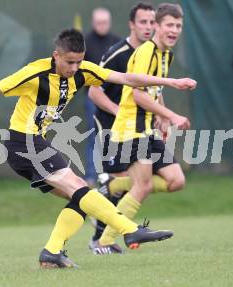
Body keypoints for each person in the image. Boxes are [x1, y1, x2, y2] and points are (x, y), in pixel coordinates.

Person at [0, 28, 196, 268]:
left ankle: (51, 252)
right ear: (56, 55)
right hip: (23, 143)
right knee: (80, 187)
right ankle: (130, 230)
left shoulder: (84, 71)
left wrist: (170, 81)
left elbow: (126, 78)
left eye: (78, 62)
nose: (74, 68)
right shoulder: (34, 72)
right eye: (69, 62)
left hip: (36, 144)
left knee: (81, 199)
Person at [90, 3, 193, 252]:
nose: (174, 30)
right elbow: (136, 95)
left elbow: (154, 92)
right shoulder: (146, 52)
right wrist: (172, 115)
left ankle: (113, 187)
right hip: (131, 128)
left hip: (146, 127)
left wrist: (163, 118)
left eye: (178, 26)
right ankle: (104, 242)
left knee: (176, 180)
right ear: (157, 26)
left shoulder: (165, 54)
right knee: (144, 185)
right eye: (169, 24)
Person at [88, 2, 157, 254]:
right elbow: (94, 92)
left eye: (152, 22)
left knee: (135, 182)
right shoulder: (118, 53)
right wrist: (119, 112)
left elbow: (153, 89)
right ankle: (98, 240)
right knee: (122, 180)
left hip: (137, 127)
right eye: (143, 22)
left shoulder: (154, 53)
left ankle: (103, 231)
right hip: (110, 125)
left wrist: (161, 113)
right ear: (132, 24)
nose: (148, 27)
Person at [83, 8, 120, 184]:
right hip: (93, 97)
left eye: (105, 22)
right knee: (93, 136)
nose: (102, 25)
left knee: (114, 136)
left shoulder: (116, 43)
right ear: (93, 22)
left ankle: (113, 174)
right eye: (99, 22)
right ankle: (91, 175)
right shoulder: (85, 43)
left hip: (115, 97)